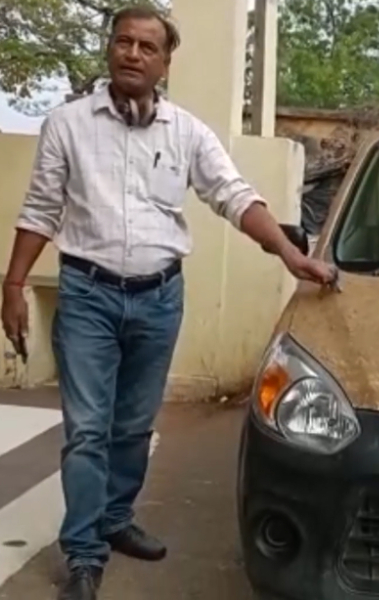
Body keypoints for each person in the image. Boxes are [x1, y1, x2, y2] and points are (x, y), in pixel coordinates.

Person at [0, 6, 336, 600]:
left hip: (158, 299)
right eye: (122, 42)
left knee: (132, 427)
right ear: (110, 50)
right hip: (87, 297)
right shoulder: (68, 124)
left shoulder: (186, 133)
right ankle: (83, 553)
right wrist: (12, 284)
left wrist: (288, 253)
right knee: (86, 431)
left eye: (146, 47)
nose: (132, 53)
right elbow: (41, 208)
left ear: (164, 62)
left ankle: (115, 517)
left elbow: (233, 196)